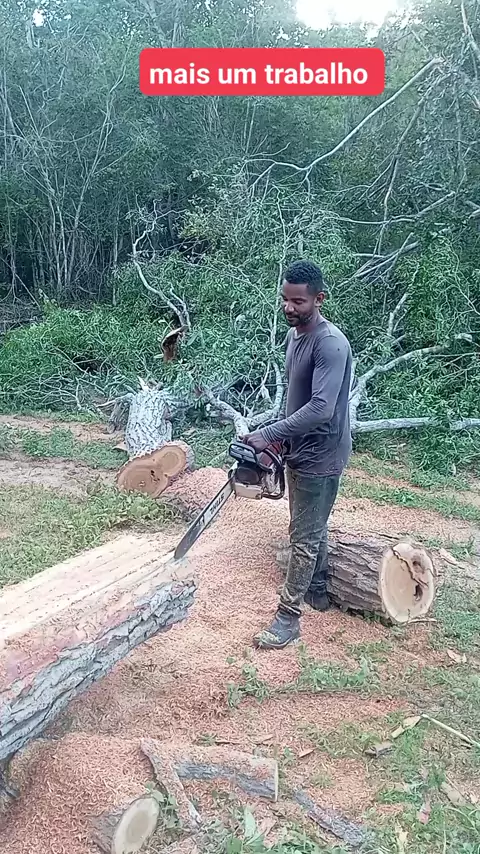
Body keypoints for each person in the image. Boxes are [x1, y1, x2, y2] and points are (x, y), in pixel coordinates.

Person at [241, 259, 353, 650]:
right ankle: (317, 590)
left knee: (303, 537)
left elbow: (321, 408)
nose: (289, 307)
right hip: (299, 447)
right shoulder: (295, 336)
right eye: (285, 300)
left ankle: (288, 619)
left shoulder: (330, 344)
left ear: (319, 299)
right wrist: (274, 435)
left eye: (298, 302)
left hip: (322, 452)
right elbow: (296, 399)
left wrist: (270, 434)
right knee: (308, 524)